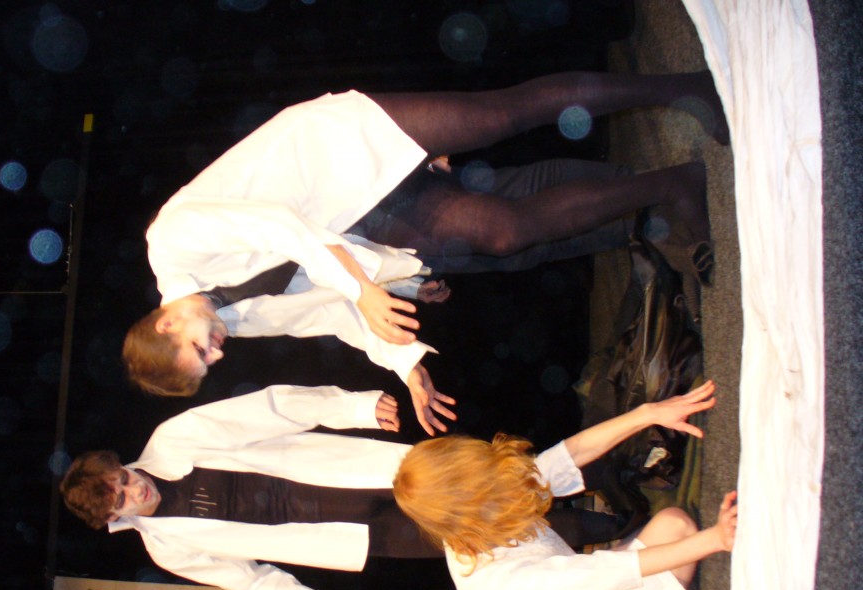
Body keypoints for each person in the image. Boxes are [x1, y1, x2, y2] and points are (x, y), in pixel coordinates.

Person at [123, 71, 727, 434]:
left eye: (200, 349)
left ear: (167, 323)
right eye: (211, 363)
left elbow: (280, 226)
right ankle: (672, 186)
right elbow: (329, 307)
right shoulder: (228, 318)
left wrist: (362, 288)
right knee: (504, 231)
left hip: (341, 145)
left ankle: (685, 90)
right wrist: (406, 365)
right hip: (359, 212)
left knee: (504, 112)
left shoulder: (171, 241)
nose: (217, 350)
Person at [61, 384, 635, 590]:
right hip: (345, 535)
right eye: (122, 498)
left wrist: (354, 407)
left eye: (124, 476)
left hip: (350, 472)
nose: (135, 488)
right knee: (471, 537)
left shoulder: (172, 439)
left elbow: (271, 407)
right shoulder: (166, 547)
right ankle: (615, 527)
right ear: (116, 518)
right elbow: (252, 581)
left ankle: (597, 472)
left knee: (480, 483)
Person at [393, 380, 738, 590]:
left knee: (673, 526)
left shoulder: (485, 499)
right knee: (679, 529)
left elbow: (567, 457)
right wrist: (716, 539)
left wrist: (648, 414)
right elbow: (601, 573)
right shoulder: (493, 580)